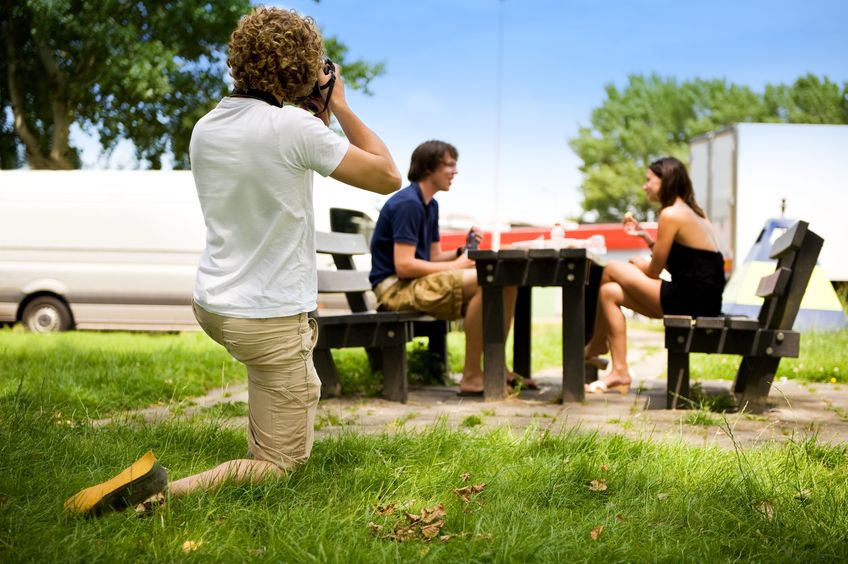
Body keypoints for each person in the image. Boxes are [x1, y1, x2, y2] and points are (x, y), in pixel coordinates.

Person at [64, 6, 401, 517]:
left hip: (216, 305)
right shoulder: (293, 128)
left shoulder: (208, 126)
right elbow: (386, 175)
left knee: (272, 380)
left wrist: (313, 112)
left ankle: (267, 415)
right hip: (268, 318)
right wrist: (342, 105)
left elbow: (268, 164)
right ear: (302, 66)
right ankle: (155, 496)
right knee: (280, 464)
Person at [369, 140, 535, 395]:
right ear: (427, 168)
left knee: (506, 281)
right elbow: (403, 266)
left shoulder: (430, 205)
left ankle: (496, 366)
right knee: (486, 282)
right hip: (396, 289)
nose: (454, 171)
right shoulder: (408, 204)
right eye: (448, 164)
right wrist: (457, 265)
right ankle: (471, 376)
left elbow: (433, 256)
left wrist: (459, 252)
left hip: (413, 283)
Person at [584, 157, 725, 394]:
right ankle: (619, 370)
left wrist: (641, 264)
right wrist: (646, 238)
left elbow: (654, 270)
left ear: (665, 180)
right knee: (609, 292)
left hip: (692, 299)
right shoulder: (695, 214)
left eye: (649, 180)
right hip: (703, 297)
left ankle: (596, 345)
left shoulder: (671, 214)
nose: (644, 185)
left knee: (610, 270)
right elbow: (685, 266)